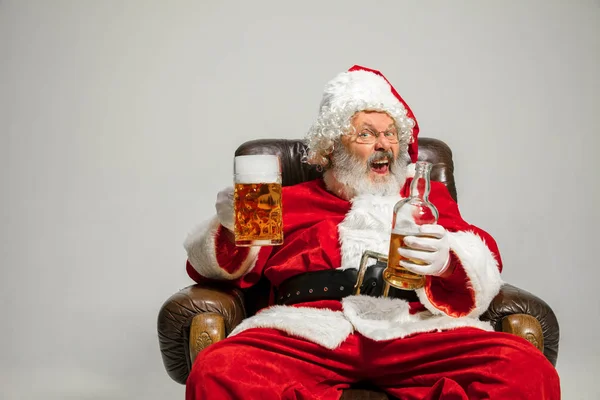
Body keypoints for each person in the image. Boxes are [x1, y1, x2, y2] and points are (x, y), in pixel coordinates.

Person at [183, 65, 560, 399]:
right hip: (308, 330)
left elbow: (484, 258)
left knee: (522, 368)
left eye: (391, 135)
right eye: (366, 134)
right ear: (330, 148)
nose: (384, 145)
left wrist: (448, 262)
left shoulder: (425, 196)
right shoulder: (284, 200)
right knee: (219, 369)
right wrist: (229, 229)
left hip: (413, 327)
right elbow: (219, 271)